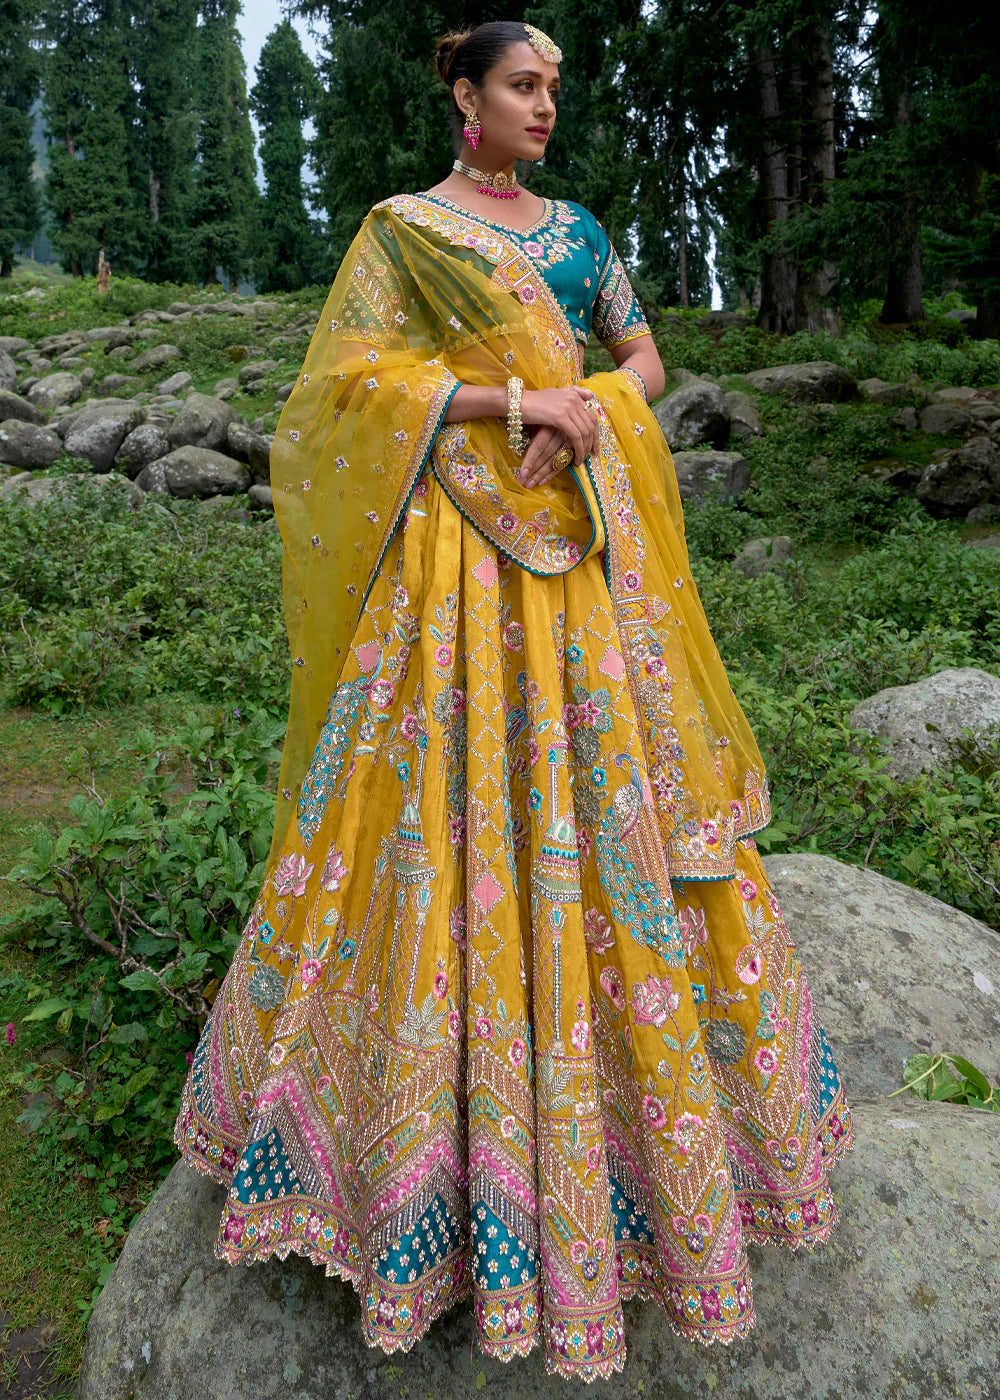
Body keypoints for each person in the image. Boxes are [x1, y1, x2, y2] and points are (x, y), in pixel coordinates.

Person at [173, 19, 855, 1381]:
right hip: (448, 574)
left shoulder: (582, 233)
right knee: (427, 826)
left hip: (579, 572)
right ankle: (414, 1165)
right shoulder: (402, 231)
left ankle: (641, 1159)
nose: (547, 107)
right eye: (523, 86)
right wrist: (506, 398)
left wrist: (594, 405)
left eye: (554, 87)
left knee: (623, 828)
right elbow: (343, 391)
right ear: (464, 97)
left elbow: (646, 362)